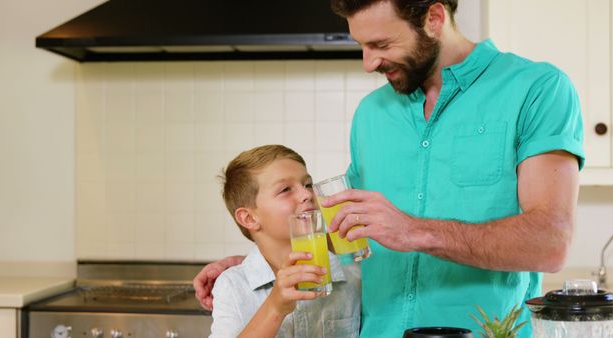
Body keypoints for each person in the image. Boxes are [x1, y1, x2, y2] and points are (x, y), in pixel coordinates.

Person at [196, 1, 584, 337]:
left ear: (433, 18)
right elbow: (348, 230)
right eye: (361, 45)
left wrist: (414, 231)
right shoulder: (372, 114)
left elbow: (550, 242)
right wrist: (257, 264)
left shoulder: (536, 89)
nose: (369, 63)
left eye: (381, 44)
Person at [207, 144, 360, 338]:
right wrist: (275, 307)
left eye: (308, 184)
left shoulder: (350, 274)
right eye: (285, 189)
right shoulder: (233, 286)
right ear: (249, 218)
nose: (307, 195)